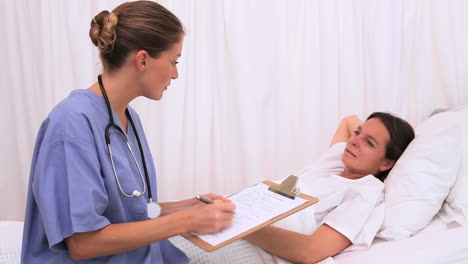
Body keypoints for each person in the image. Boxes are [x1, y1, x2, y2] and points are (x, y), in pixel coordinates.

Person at [21, 1, 235, 263]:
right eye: (173, 61)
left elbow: (134, 211)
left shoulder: (126, 118)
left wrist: (188, 206)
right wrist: (186, 221)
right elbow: (83, 243)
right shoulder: (71, 124)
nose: (176, 74)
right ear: (143, 60)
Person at [244, 112, 415, 264]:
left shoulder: (365, 190)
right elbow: (348, 120)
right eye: (357, 132)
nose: (354, 141)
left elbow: (311, 251)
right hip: (240, 213)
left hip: (247, 238)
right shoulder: (336, 160)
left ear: (387, 163)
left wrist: (240, 224)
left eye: (369, 143)